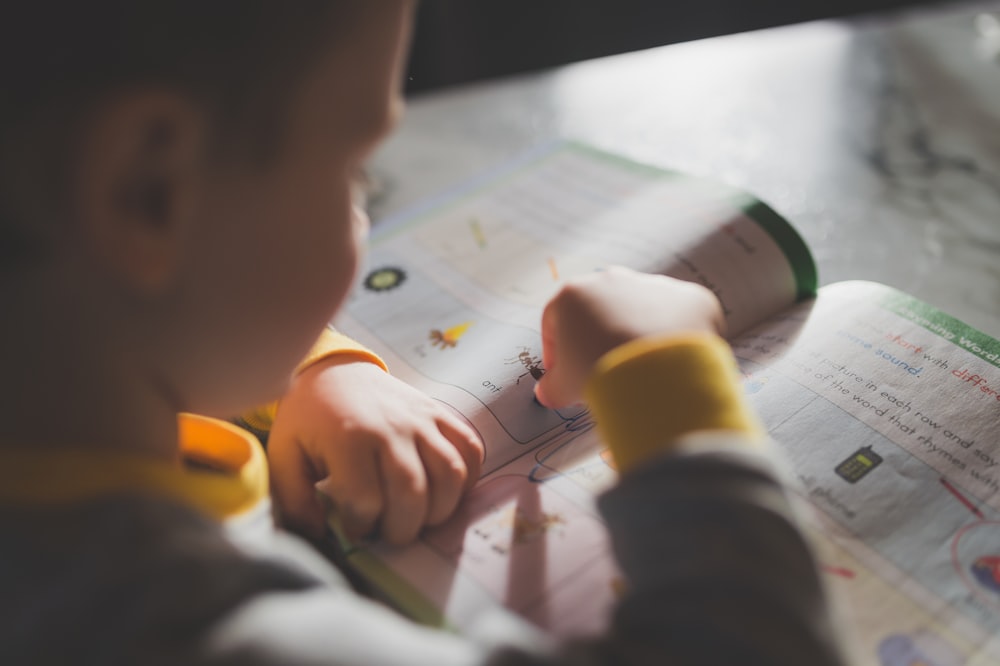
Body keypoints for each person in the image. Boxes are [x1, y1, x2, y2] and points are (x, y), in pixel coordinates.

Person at [0, 1, 848, 664]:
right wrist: (668, 389)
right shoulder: (196, 633)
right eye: (351, 169)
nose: (364, 211)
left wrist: (316, 366)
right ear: (150, 191)